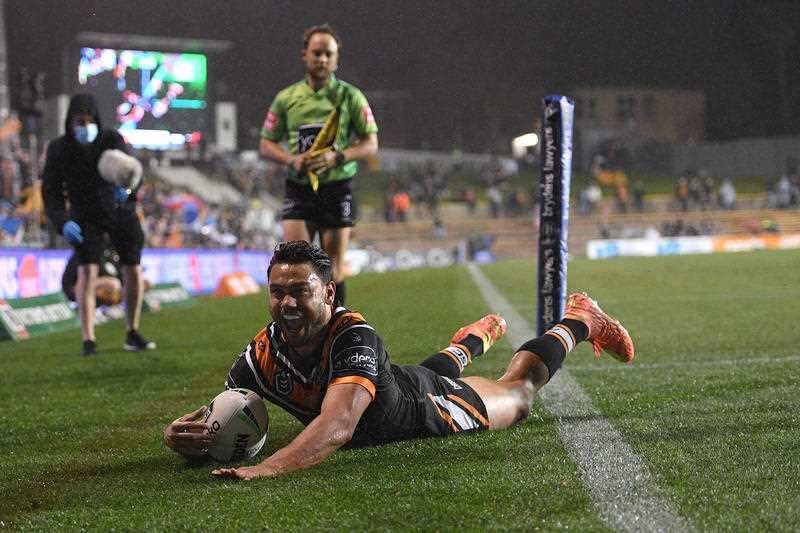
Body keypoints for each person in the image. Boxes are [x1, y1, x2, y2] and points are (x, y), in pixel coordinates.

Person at [164, 241, 635, 480]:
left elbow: (338, 427)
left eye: (300, 292)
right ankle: (469, 341)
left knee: (519, 394)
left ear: (328, 293)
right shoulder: (259, 358)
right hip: (394, 383)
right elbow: (219, 413)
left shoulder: (354, 336)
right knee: (419, 372)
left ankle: (581, 321)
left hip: (425, 406)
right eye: (277, 292)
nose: (286, 304)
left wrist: (267, 468)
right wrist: (183, 435)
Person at [259, 24, 379, 307]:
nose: (322, 59)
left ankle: (339, 332)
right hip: (299, 187)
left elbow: (370, 144)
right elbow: (266, 143)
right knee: (294, 264)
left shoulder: (351, 97)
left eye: (329, 54)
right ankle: (299, 338)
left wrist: (337, 157)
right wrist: (291, 159)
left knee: (333, 269)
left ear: (337, 59)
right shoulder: (286, 98)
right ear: (305, 55)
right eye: (317, 52)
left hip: (336, 188)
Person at [42, 93, 155, 355]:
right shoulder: (59, 149)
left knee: (133, 268)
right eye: (79, 121)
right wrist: (62, 222)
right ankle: (88, 339)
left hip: (118, 209)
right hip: (84, 214)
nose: (85, 126)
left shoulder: (110, 139)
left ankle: (132, 331)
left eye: (89, 120)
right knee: (87, 272)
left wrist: (127, 191)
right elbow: (51, 191)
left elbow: (132, 172)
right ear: (70, 122)